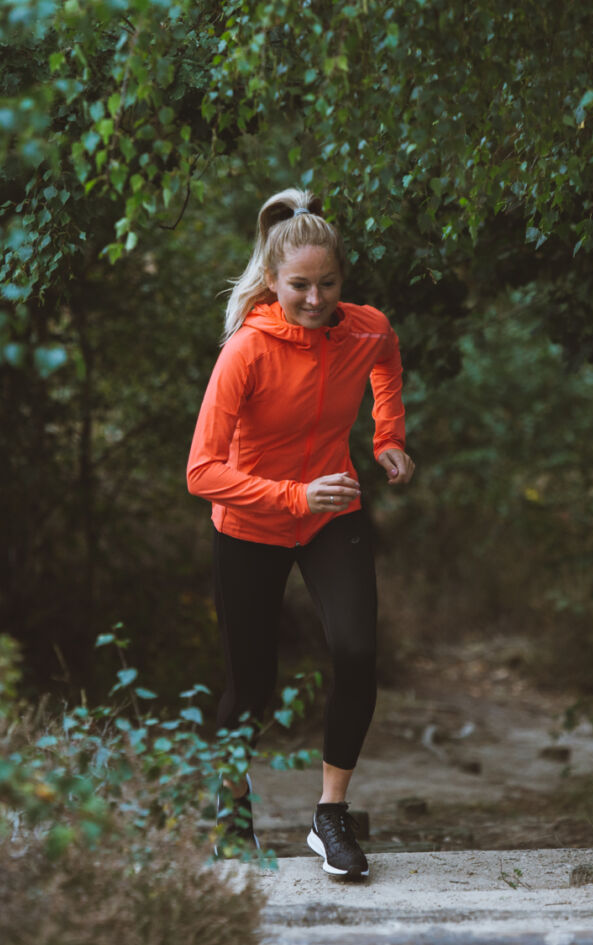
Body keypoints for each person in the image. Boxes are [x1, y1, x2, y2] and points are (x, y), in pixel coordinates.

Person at [186, 187, 415, 881]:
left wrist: (389, 438)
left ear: (344, 279)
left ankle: (330, 815)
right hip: (252, 524)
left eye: (328, 284)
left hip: (331, 517)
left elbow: (385, 364)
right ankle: (229, 813)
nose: (315, 299)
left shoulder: (365, 328)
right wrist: (292, 494)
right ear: (274, 281)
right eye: (299, 286)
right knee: (250, 685)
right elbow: (202, 470)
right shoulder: (248, 351)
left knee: (356, 652)